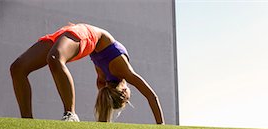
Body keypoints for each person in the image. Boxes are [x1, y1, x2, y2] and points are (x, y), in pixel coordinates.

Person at [10, 23, 165, 123]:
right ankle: (49, 117)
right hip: (82, 33)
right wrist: (161, 126)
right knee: (34, 64)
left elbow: (105, 106)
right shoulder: (122, 70)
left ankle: (53, 117)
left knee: (38, 63)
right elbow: (151, 96)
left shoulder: (102, 82)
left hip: (78, 34)